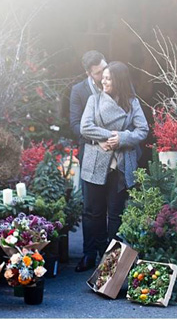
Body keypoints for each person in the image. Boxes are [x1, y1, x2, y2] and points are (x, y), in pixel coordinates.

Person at [77, 61, 149, 272]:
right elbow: (85, 127)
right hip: (95, 162)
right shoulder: (94, 99)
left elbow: (142, 130)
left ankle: (113, 259)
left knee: (116, 214)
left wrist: (122, 138)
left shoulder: (131, 102)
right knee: (92, 212)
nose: (104, 81)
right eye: (104, 78)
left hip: (120, 165)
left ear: (119, 81)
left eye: (108, 78)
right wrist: (110, 136)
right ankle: (91, 254)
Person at [69, 50, 107, 272]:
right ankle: (89, 253)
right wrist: (98, 138)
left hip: (114, 151)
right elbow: (75, 125)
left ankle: (108, 254)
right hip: (91, 152)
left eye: (104, 68)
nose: (103, 75)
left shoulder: (117, 83)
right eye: (98, 72)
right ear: (88, 73)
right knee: (91, 206)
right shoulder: (79, 91)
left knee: (111, 206)